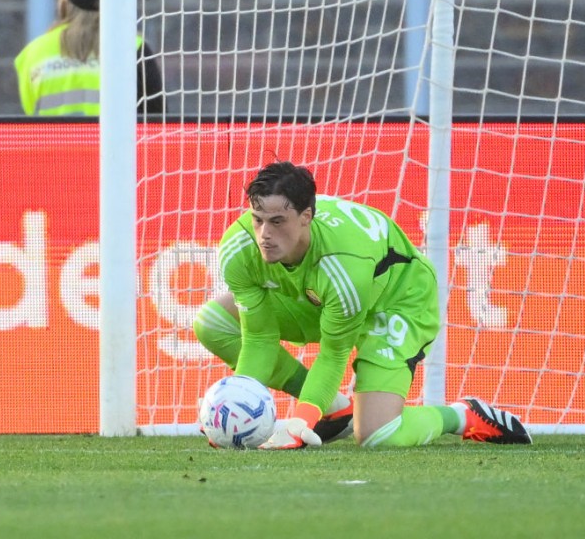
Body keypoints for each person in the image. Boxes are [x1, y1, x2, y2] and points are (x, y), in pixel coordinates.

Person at [193, 161, 532, 449]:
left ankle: (461, 415)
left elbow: (333, 354)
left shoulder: (344, 267)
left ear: (306, 217)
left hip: (396, 299)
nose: (264, 234)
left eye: (277, 222)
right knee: (213, 322)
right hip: (318, 297)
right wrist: (233, 410)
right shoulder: (239, 250)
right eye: (257, 219)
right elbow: (259, 339)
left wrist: (300, 419)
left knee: (377, 435)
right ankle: (337, 410)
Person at [14, 0, 165, 116]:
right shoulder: (134, 47)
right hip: (117, 142)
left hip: (53, 141)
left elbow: (30, 113)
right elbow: (158, 121)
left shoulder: (33, 53)